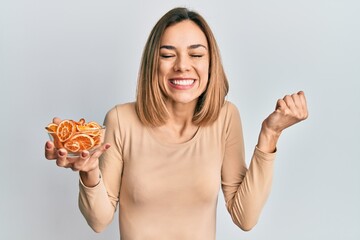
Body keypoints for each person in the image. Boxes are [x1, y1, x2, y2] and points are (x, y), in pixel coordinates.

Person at [45, 7, 308, 240]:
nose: (182, 66)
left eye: (196, 55)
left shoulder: (226, 117)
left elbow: (245, 218)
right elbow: (99, 221)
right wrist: (89, 171)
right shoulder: (120, 120)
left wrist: (270, 134)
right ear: (153, 63)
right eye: (168, 55)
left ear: (210, 63)